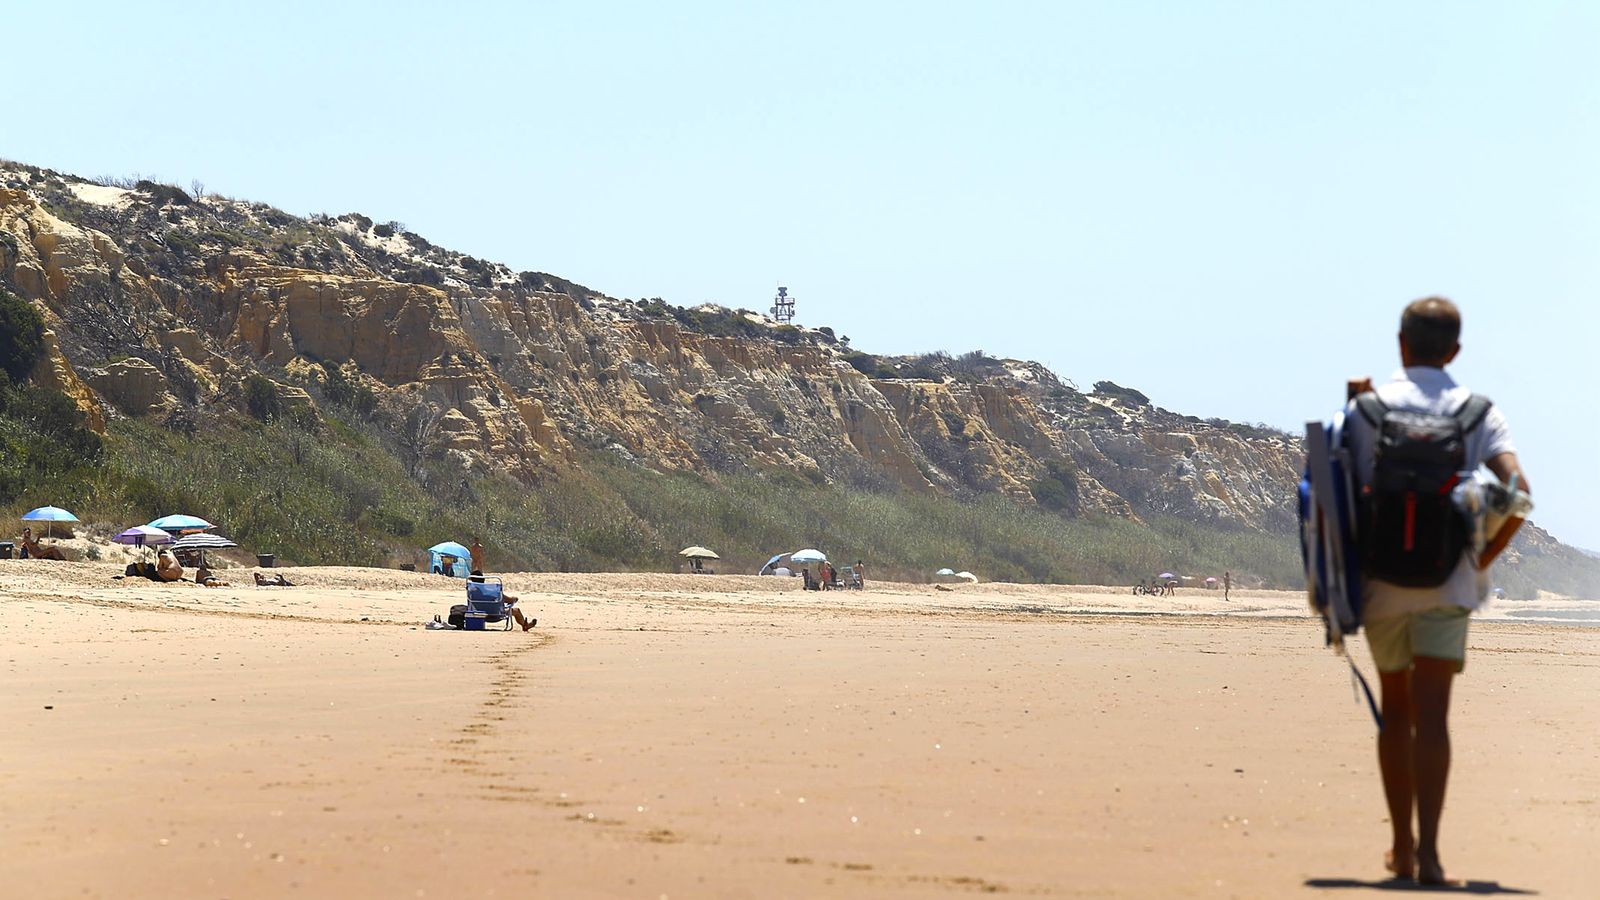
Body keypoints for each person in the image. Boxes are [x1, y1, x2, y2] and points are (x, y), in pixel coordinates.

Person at [1341, 297, 1527, 886]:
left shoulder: (1369, 407)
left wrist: (1353, 405)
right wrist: (1481, 558)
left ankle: (1400, 846)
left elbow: (1337, 487)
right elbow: (1519, 491)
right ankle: (1432, 858)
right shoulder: (1477, 412)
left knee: (1395, 712)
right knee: (1435, 716)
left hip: (1382, 585)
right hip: (1449, 581)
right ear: (1455, 350)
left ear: (1401, 342)